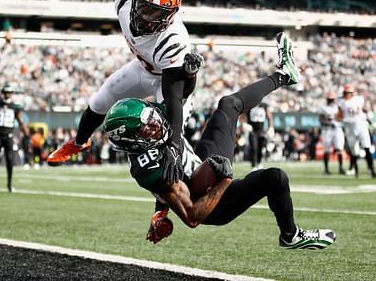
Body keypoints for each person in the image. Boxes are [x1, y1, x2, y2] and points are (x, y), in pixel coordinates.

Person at [103, 33, 336, 250]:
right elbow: (193, 216)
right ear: (133, 143)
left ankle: (284, 74)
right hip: (211, 204)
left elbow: (180, 96)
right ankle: (291, 235)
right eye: (148, 129)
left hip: (201, 165)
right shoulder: (149, 168)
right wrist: (224, 180)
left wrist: (189, 75)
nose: (156, 125)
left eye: (152, 119)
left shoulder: (154, 125)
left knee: (228, 104)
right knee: (275, 178)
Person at [47, 0, 202, 166]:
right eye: (143, 7)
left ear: (169, 16)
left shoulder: (172, 40)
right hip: (143, 68)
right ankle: (80, 142)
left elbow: (174, 97)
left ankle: (194, 170)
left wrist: (174, 144)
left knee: (167, 137)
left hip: (170, 81)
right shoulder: (127, 3)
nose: (144, 16)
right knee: (102, 98)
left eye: (153, 12)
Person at [337, 84, 375, 178]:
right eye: (346, 93)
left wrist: (367, 119)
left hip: (361, 125)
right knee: (354, 150)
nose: (347, 95)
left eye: (349, 93)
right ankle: (355, 169)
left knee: (367, 147)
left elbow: (363, 110)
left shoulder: (358, 99)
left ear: (352, 93)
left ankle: (371, 169)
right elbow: (340, 115)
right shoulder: (341, 102)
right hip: (350, 127)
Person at [318, 91, 345, 175]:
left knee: (339, 148)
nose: (331, 100)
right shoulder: (322, 107)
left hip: (337, 129)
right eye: (329, 99)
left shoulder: (338, 107)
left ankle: (341, 168)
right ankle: (326, 169)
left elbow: (341, 117)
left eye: (332, 99)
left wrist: (337, 120)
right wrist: (328, 122)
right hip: (327, 130)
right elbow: (321, 120)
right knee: (326, 150)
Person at [244, 102, 273, 170]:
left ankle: (259, 163)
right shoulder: (249, 105)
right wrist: (244, 124)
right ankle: (253, 165)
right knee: (254, 148)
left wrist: (270, 127)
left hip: (261, 131)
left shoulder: (264, 106)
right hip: (252, 131)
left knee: (261, 148)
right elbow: (243, 116)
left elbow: (270, 117)